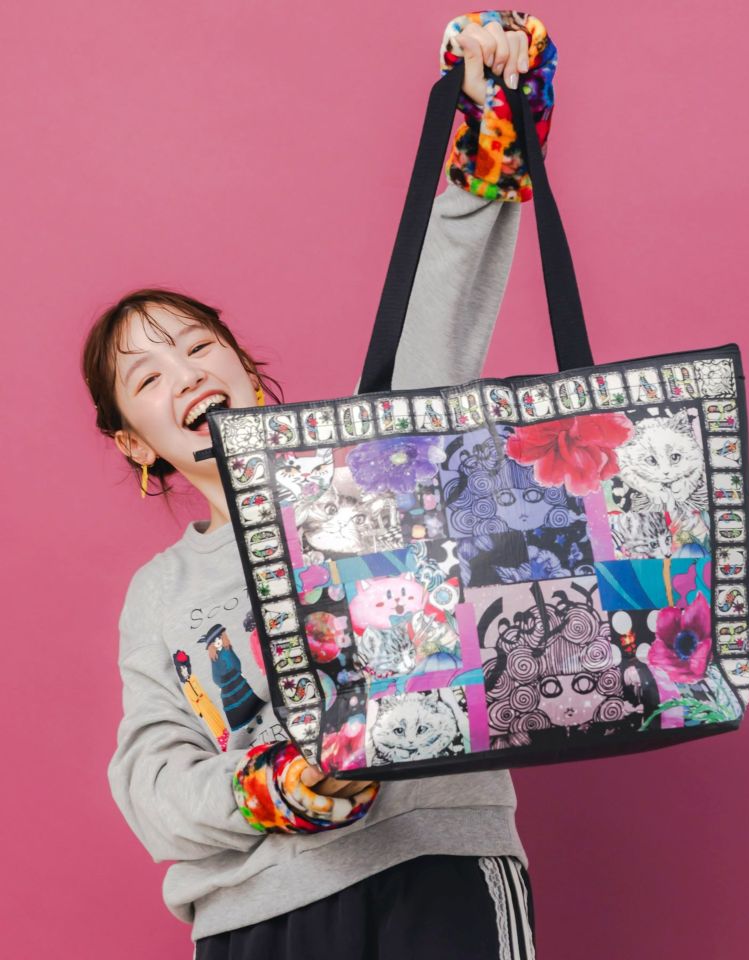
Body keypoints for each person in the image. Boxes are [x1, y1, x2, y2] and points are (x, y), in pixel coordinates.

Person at [87, 11, 557, 959]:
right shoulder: (158, 597)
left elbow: (442, 303)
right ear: (137, 444)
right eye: (148, 377)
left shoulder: (366, 462)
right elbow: (151, 780)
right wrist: (265, 790)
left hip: (436, 863)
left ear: (246, 369)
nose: (185, 375)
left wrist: (490, 104)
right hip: (257, 914)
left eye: (198, 347)